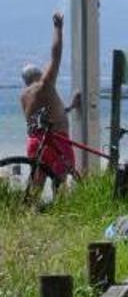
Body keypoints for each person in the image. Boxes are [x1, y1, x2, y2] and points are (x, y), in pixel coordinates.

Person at [19, 11, 81, 181]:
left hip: (34, 142)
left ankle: (30, 208)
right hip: (57, 141)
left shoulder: (24, 96)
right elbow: (56, 56)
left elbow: (45, 118)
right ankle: (59, 208)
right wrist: (58, 29)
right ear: (40, 75)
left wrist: (71, 107)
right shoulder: (44, 85)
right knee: (60, 185)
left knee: (36, 186)